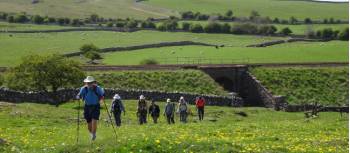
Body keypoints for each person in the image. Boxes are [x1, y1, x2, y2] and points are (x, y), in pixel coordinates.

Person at [76, 76, 104, 141]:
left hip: (96, 106)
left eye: (90, 82)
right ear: (86, 83)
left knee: (94, 120)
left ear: (93, 82)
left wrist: (102, 96)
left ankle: (94, 134)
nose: (89, 84)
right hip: (87, 107)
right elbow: (79, 95)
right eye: (88, 83)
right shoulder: (83, 89)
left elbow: (102, 94)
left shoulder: (98, 88)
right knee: (89, 123)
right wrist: (78, 97)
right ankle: (91, 134)